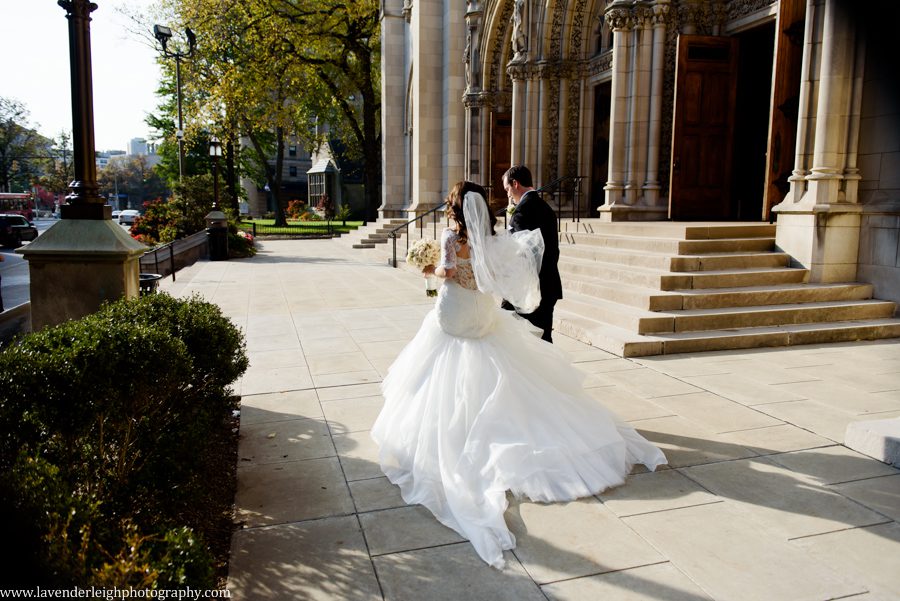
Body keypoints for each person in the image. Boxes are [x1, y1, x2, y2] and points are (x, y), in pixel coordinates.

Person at [371, 181, 666, 569]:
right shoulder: (494, 242)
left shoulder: (448, 238)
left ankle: (461, 431)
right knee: (501, 370)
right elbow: (492, 280)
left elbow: (445, 273)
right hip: (481, 313)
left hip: (453, 314)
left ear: (456, 209)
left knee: (440, 372)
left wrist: (424, 266)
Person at [502, 165, 562, 342]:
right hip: (549, 284)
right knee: (544, 340)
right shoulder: (546, 207)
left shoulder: (522, 211)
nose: (507, 195)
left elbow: (521, 253)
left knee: (520, 342)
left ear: (515, 184)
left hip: (529, 289)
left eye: (507, 189)